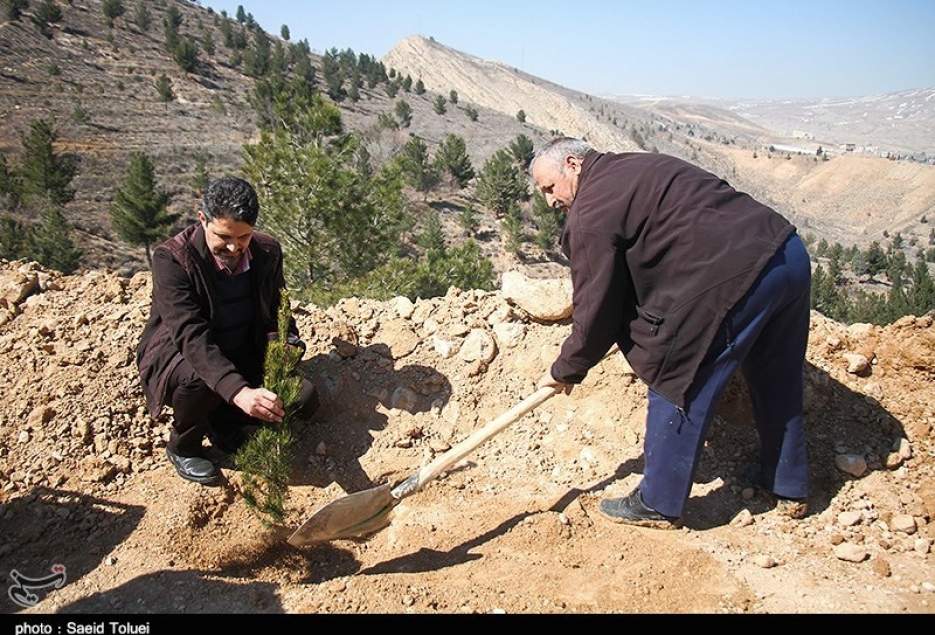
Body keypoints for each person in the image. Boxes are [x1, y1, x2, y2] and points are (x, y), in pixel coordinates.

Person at [532, 138, 811, 528]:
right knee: (776, 377)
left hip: (733, 279)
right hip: (787, 253)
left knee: (676, 369)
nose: (550, 201)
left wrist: (566, 368)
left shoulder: (590, 211)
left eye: (549, 187)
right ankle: (788, 484)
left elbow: (595, 308)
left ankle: (659, 502)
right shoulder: (634, 165)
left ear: (573, 164)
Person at [137, 176, 318, 485]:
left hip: (243, 350)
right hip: (183, 357)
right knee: (200, 380)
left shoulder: (267, 251)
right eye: (223, 236)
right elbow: (190, 335)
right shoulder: (172, 260)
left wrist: (284, 347)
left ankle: (223, 422)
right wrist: (239, 391)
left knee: (304, 399)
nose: (234, 247)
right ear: (202, 219)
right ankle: (184, 445)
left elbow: (278, 311)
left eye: (244, 237)